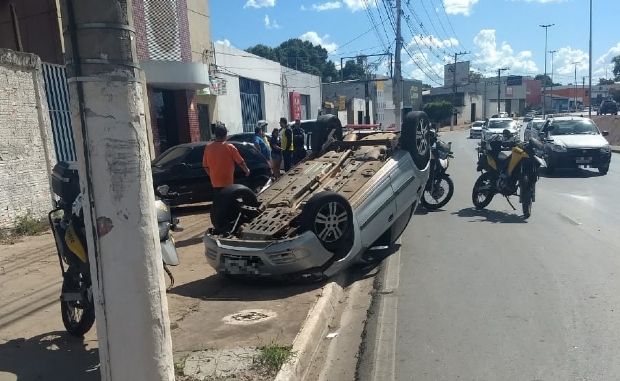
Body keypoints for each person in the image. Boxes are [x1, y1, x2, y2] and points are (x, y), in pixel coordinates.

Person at [202, 123, 250, 194]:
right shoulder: (229, 147)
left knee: (220, 200)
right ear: (225, 135)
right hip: (227, 180)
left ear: (215, 135)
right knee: (229, 199)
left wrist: (212, 174)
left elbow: (205, 166)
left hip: (215, 181)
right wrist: (247, 170)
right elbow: (240, 162)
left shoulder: (208, 148)